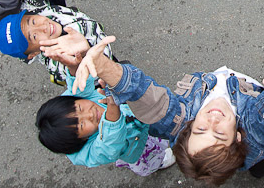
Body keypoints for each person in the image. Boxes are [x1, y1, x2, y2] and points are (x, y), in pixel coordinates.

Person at [64, 34, 264, 185]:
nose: (213, 121)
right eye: (219, 135)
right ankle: (259, 168)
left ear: (187, 128)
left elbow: (145, 95)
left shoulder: (178, 120)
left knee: (248, 165)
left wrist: (101, 64)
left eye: (200, 130)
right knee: (260, 160)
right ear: (238, 137)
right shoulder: (253, 132)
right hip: (255, 149)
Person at [33, 40, 174, 175]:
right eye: (82, 125)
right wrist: (113, 106)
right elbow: (111, 144)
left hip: (139, 121)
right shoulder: (92, 152)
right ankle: (157, 163)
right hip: (136, 146)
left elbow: (79, 86)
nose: (90, 114)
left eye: (80, 109)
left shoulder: (73, 99)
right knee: (150, 156)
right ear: (81, 140)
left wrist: (75, 67)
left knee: (158, 129)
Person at [0, 0, 109, 85]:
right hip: (105, 59)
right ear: (34, 54)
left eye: (32, 21)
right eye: (34, 37)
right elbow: (91, 77)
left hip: (90, 27)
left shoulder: (36, 10)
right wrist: (85, 53)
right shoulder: (58, 62)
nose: (42, 27)